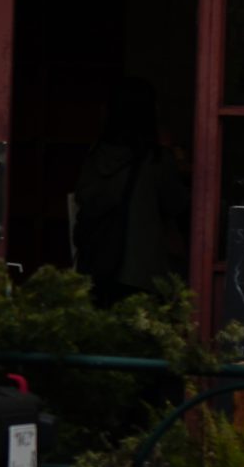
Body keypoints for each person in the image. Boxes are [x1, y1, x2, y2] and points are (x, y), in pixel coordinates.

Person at [72, 79, 188, 306]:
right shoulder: (156, 160)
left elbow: (83, 199)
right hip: (142, 269)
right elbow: (178, 204)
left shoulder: (97, 155)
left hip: (98, 264)